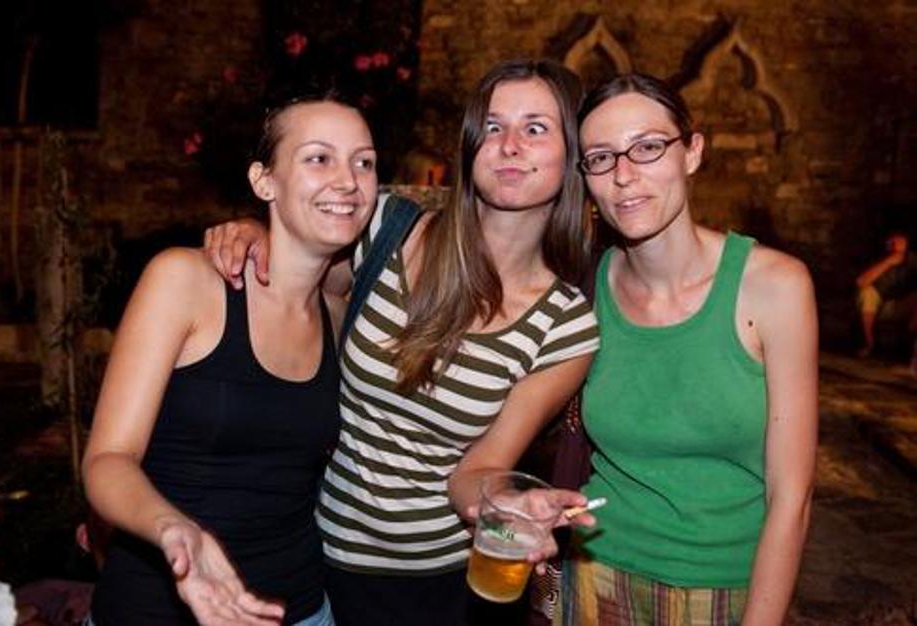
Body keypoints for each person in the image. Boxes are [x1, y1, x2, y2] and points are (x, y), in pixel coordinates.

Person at [203, 59, 600, 626]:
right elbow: (294, 288)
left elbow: (479, 469)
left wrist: (505, 503)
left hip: (437, 586)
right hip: (313, 555)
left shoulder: (566, 327)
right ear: (471, 145)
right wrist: (256, 232)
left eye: (535, 128)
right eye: (492, 127)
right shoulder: (387, 229)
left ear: (571, 157)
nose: (509, 145)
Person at [82, 89, 379, 626]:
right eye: (318, 158)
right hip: (158, 607)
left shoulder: (338, 317)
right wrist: (176, 531)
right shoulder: (184, 281)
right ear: (264, 181)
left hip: (300, 609)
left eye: (364, 162)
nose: (348, 180)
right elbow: (107, 460)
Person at [556, 73, 819, 626]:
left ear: (692, 152)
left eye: (648, 147)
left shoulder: (774, 287)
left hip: (727, 589)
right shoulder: (583, 289)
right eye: (601, 158)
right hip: (597, 575)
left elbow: (791, 495)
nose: (624, 175)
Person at [855, 232, 917, 358]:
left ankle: (910, 345)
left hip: (903, 306)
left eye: (899, 242)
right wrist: (888, 262)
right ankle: (869, 343)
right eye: (891, 242)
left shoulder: (912, 261)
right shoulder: (878, 259)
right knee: (867, 293)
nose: (894, 245)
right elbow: (861, 282)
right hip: (880, 307)